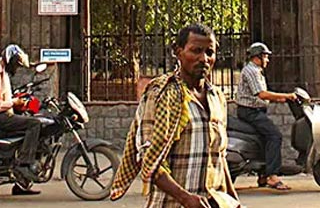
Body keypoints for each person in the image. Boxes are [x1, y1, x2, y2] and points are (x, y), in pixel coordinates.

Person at [112, 24, 239, 208]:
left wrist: (235, 201)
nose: (204, 59)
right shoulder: (161, 94)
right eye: (196, 51)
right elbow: (149, 160)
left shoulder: (217, 98)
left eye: (209, 52)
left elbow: (219, 158)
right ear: (178, 52)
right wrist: (185, 198)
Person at [0, 44, 43, 191]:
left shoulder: (3, 74)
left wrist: (18, 103)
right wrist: (14, 102)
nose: (17, 68)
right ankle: (24, 164)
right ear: (10, 60)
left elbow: (4, 98)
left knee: (28, 122)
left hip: (3, 113)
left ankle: (21, 185)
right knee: (34, 124)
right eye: (16, 65)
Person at [237, 42, 297, 191]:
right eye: (265, 56)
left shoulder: (256, 71)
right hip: (250, 112)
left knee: (264, 138)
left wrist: (281, 98)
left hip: (254, 111)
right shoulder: (252, 71)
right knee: (274, 135)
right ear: (257, 57)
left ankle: (263, 174)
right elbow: (262, 94)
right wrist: (287, 95)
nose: (268, 60)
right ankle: (272, 176)